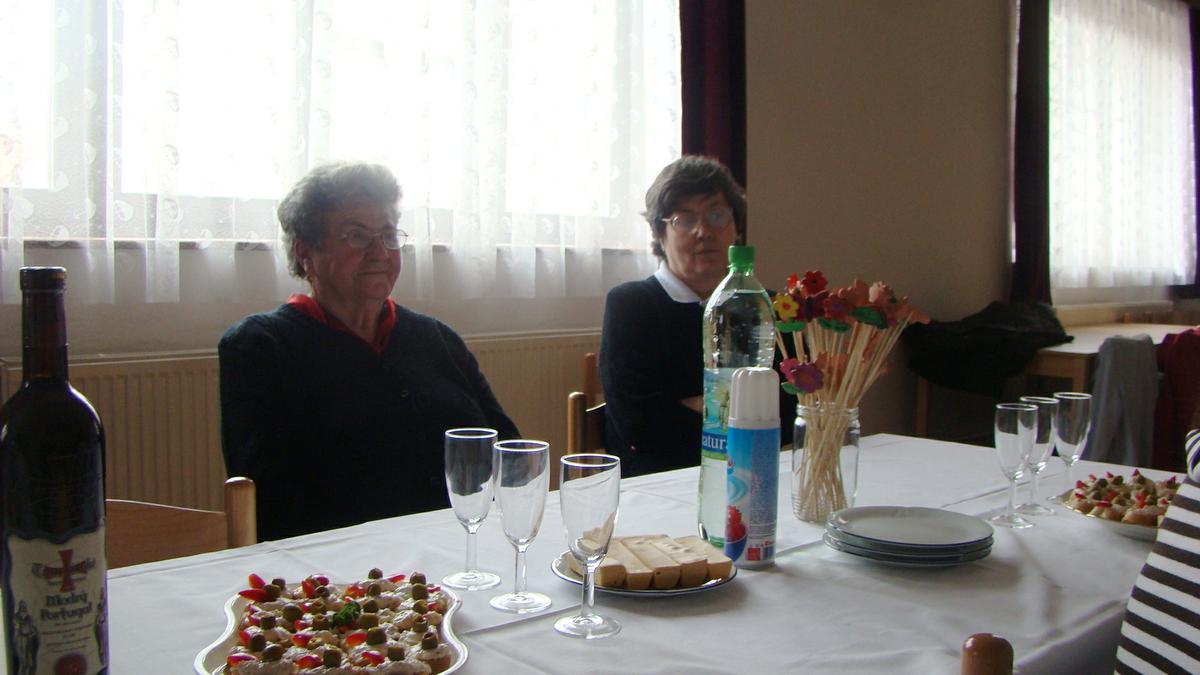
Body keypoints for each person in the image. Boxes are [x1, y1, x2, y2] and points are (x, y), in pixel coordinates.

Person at [219, 161, 519, 541]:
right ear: (305, 251)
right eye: (357, 236)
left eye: (389, 235)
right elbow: (271, 506)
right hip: (347, 566)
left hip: (468, 550)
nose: (379, 252)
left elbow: (511, 455)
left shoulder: (436, 338)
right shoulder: (260, 347)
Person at [599, 155, 794, 477]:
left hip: (754, 474)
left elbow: (791, 411)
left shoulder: (764, 305)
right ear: (660, 233)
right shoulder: (631, 305)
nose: (704, 231)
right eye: (686, 220)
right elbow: (640, 425)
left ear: (736, 227)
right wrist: (743, 412)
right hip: (658, 483)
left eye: (717, 216)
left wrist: (697, 406)